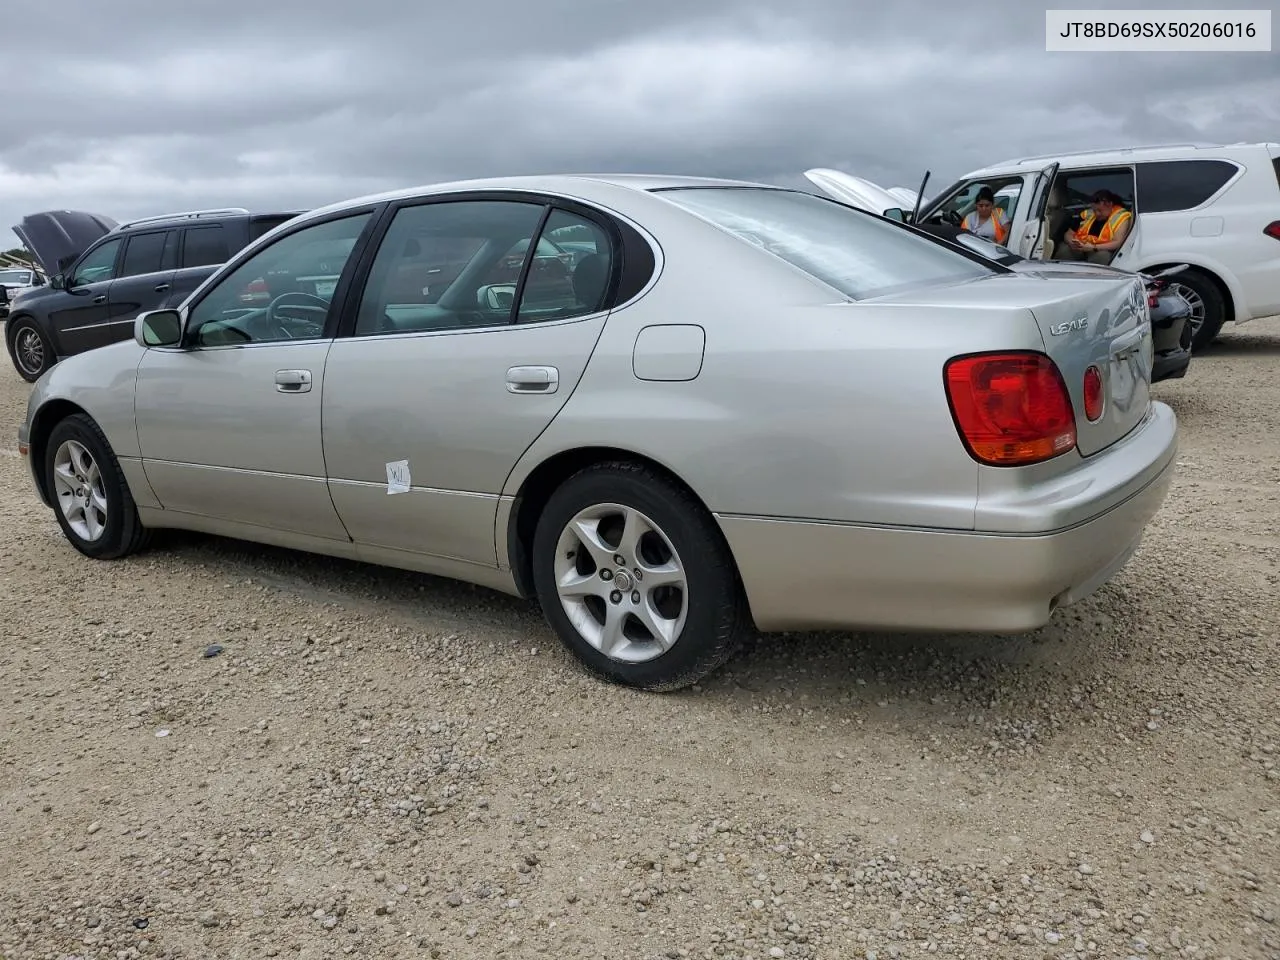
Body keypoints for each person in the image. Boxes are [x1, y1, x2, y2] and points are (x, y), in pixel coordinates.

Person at [1056, 189, 1133, 264]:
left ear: (1110, 204)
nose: (1097, 214)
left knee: (1102, 256)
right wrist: (1071, 242)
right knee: (1064, 249)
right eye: (1094, 210)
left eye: (1100, 210)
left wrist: (1093, 247)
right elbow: (1068, 233)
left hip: (1099, 249)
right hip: (1079, 248)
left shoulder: (1120, 217)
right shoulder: (1087, 214)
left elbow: (1118, 242)